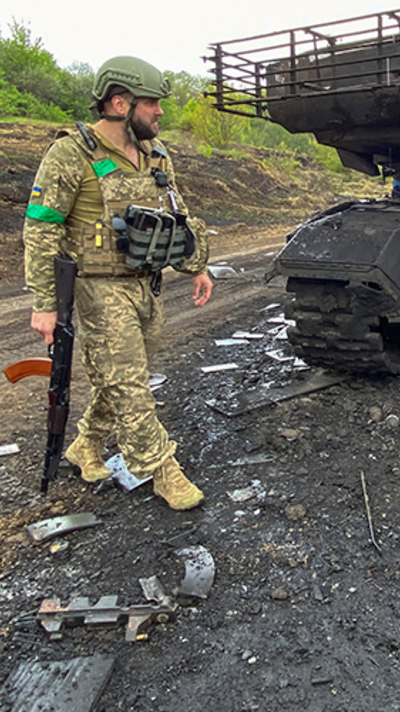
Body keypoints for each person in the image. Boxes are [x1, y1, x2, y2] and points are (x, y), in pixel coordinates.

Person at [23, 56, 213, 510]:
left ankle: (86, 445)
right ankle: (161, 468)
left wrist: (196, 267)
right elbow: (41, 227)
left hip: (146, 284)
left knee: (122, 375)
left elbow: (176, 216)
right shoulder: (71, 154)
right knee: (129, 384)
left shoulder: (156, 154)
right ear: (118, 102)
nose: (160, 112)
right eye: (152, 103)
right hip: (97, 288)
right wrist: (45, 302)